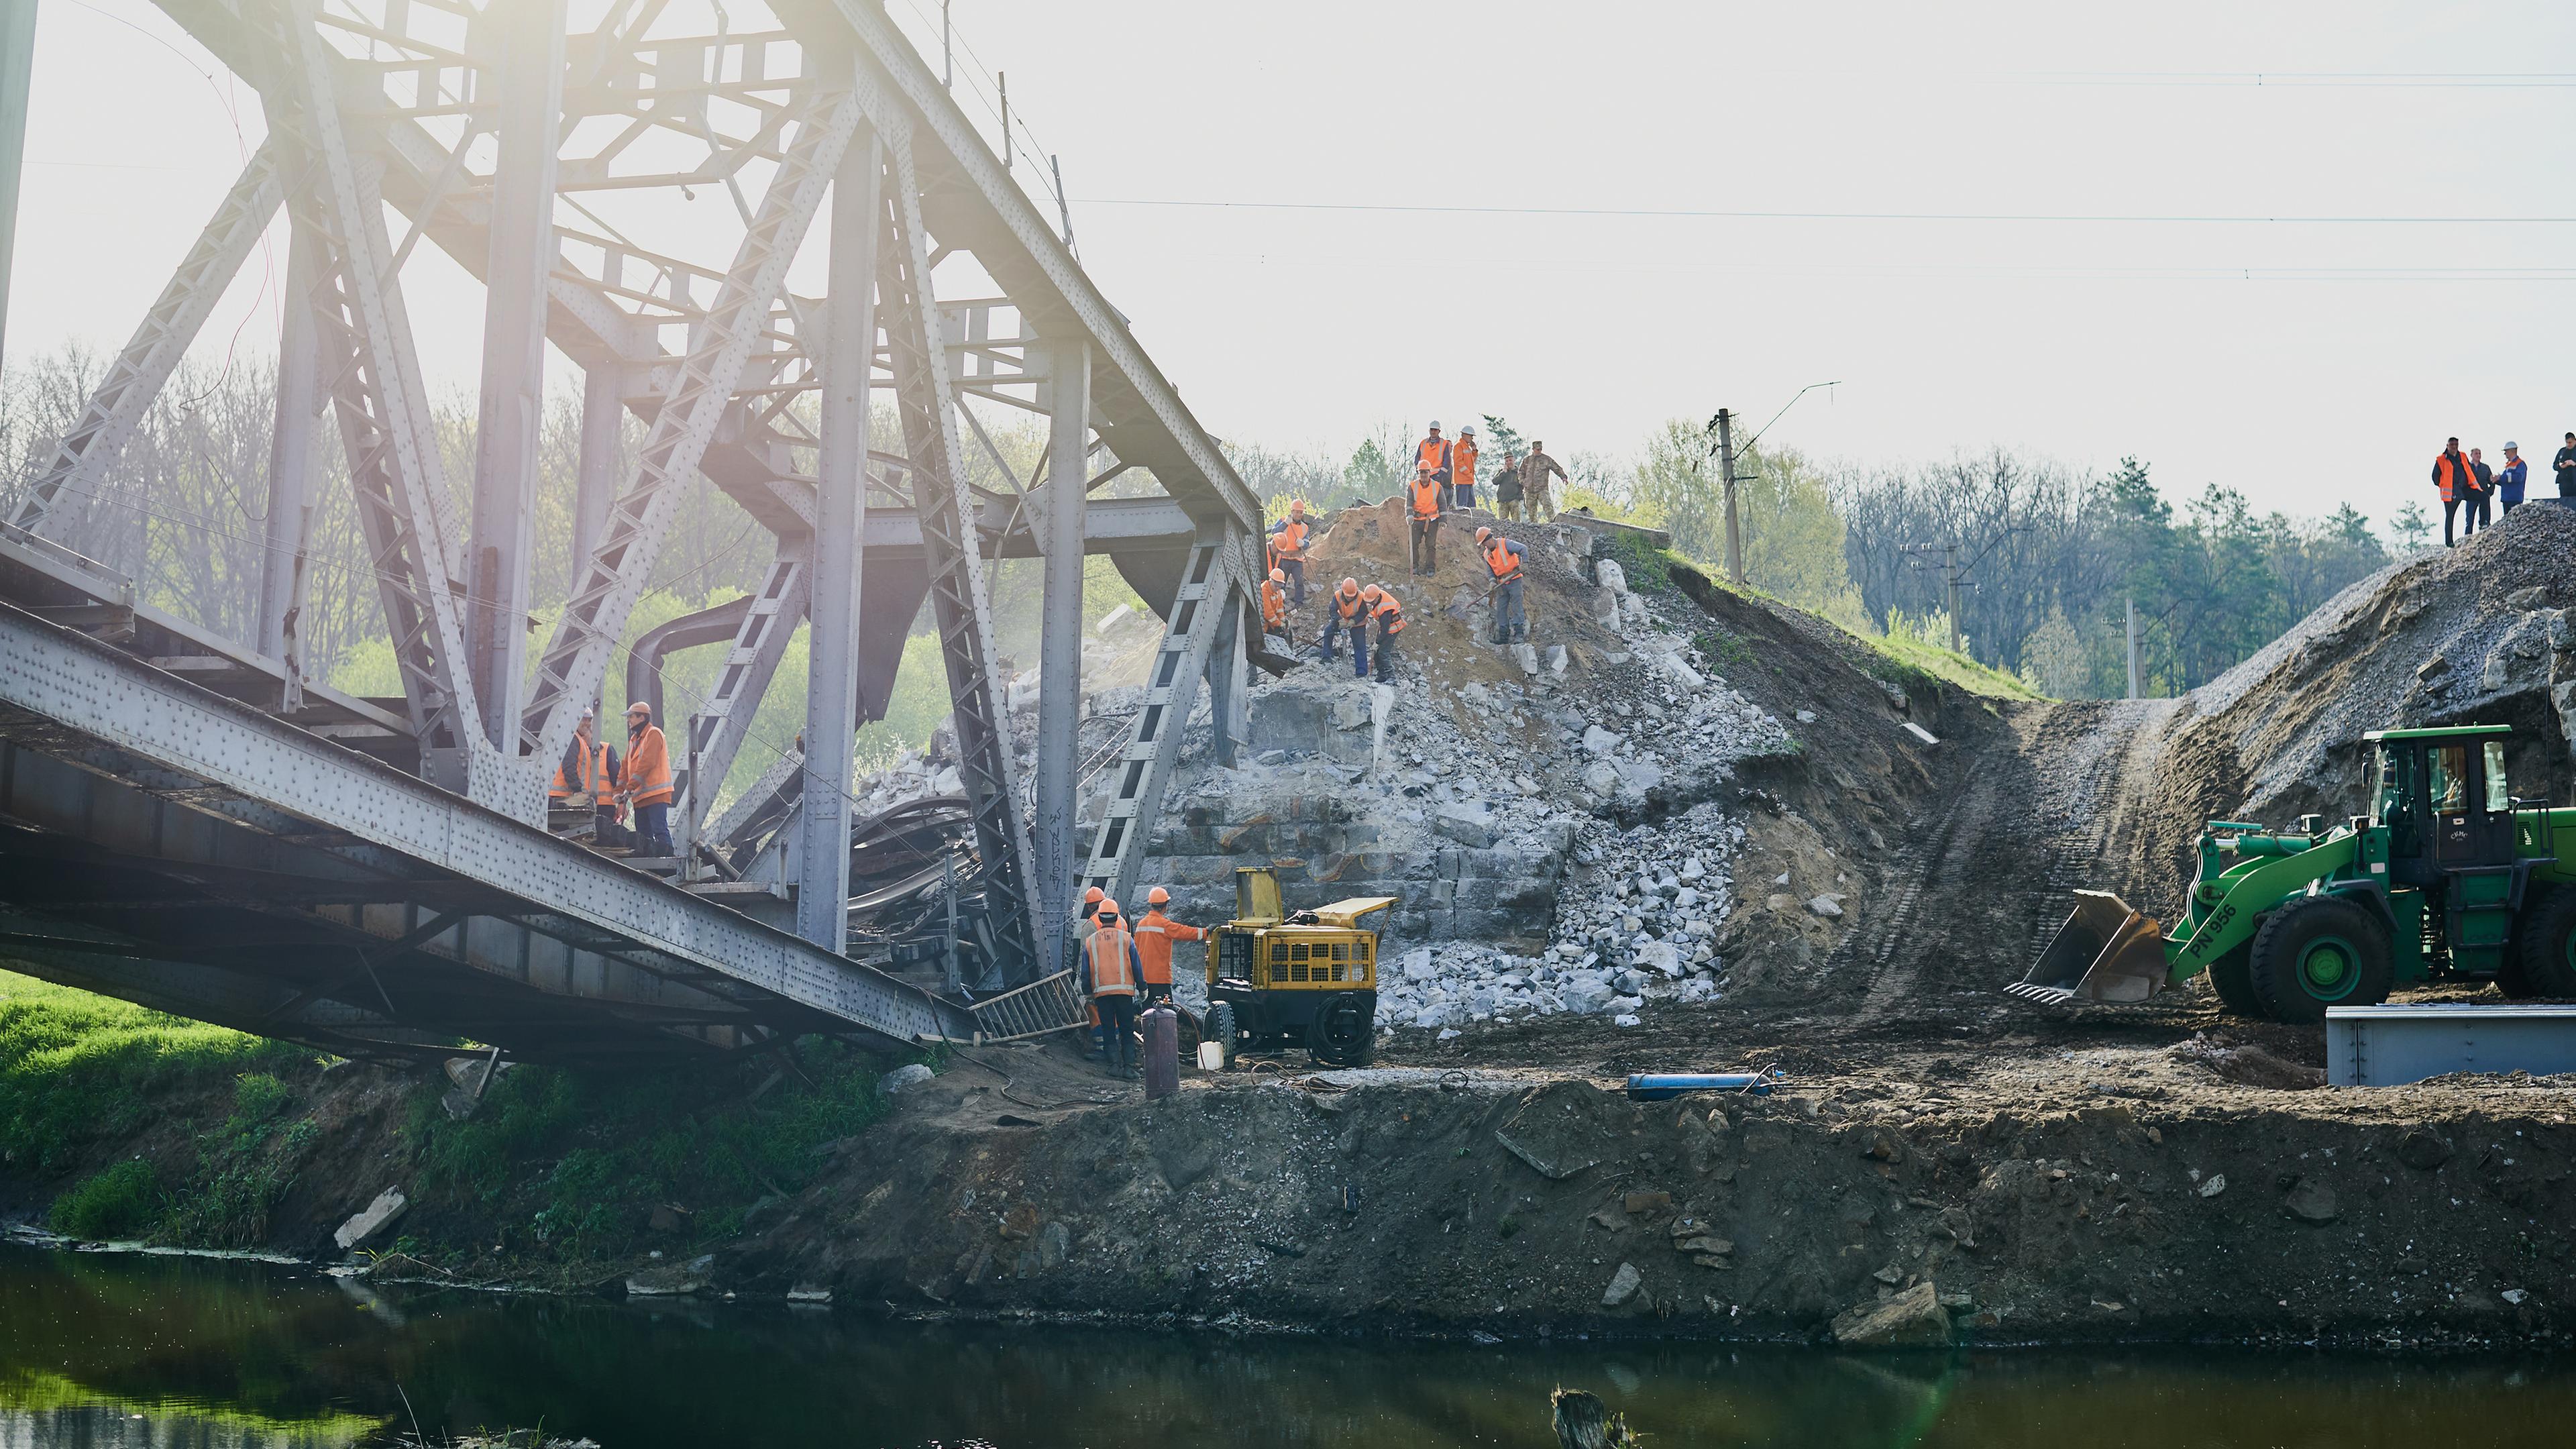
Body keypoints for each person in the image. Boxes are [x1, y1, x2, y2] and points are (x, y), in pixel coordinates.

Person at [1085, 898, 1145, 1078]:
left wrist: (1088, 992)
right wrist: (1142, 987)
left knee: (1108, 1029)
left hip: (1102, 994)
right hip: (1124, 993)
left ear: (1100, 918)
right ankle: (1128, 1067)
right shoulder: (1127, 939)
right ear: (1117, 917)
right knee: (1127, 1029)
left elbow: (1085, 971)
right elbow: (1137, 966)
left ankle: (1114, 1066)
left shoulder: (1090, 941)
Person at [549, 706, 626, 846]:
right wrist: (578, 790)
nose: (587, 724)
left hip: (579, 800)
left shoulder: (581, 742)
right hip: (564, 797)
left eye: (589, 720)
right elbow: (569, 767)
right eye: (583, 720)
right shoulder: (574, 739)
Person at [1132, 886, 1205, 1006]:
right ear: (1166, 905)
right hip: (1160, 979)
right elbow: (1183, 932)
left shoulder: (1141, 924)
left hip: (1144, 979)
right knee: (1165, 1015)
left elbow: (1135, 949)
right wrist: (1205, 933)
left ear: (1151, 904)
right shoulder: (1164, 925)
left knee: (1147, 1014)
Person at [620, 701, 675, 857]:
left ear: (642, 717)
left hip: (656, 795)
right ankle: (650, 865)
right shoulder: (634, 741)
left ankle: (667, 862)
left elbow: (647, 763)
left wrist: (630, 786)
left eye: (631, 717)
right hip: (641, 797)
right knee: (643, 836)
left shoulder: (654, 734)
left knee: (659, 830)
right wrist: (619, 790)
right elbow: (625, 767)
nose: (629, 720)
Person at [1479, 526, 1527, 645]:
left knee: (1517, 606)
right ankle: (1503, 636)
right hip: (1501, 583)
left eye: (1484, 543)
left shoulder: (1505, 544)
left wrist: (1525, 563)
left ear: (1489, 539)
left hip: (1514, 579)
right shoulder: (1486, 554)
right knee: (1501, 609)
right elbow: (1490, 570)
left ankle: (1519, 634)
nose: (1484, 546)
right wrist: (1492, 581)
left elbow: (1523, 549)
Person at [1320, 577, 1369, 677]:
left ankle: (1361, 671)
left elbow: (1364, 612)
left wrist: (1354, 621)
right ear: (1343, 591)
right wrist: (1339, 620)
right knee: (1328, 631)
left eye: (1352, 596)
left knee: (1359, 645)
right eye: (1348, 596)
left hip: (1357, 623)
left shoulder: (1361, 597)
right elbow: (1332, 610)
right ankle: (1326, 657)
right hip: (1341, 620)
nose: (1350, 598)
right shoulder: (1337, 595)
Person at [2433, 437, 2477, 546]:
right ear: (2447, 445)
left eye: (2456, 444)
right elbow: (2435, 477)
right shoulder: (2441, 459)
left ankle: (2484, 524)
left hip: (2464, 489)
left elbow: (2468, 469)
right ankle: (2449, 542)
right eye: (2452, 444)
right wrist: (2444, 484)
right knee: (2450, 516)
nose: (2454, 447)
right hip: (2450, 493)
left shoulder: (2462, 456)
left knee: (2482, 497)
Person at [1267, 500, 1312, 604]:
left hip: (1297, 559)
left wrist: (1303, 544)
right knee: (1282, 581)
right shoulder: (1283, 520)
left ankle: (1299, 603)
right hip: (1284, 558)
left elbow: (1307, 543)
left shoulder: (1305, 527)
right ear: (1292, 511)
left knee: (1299, 582)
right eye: (1297, 512)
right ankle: (1280, 602)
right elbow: (1274, 532)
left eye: (1301, 512)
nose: (1299, 514)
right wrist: (1285, 524)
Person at [1407, 464, 1444, 575]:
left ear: (1430, 472)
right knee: (1413, 543)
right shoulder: (1413, 486)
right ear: (1418, 473)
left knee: (1431, 545)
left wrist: (1443, 520)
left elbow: (1443, 504)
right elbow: (1408, 503)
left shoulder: (1437, 486)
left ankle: (1430, 568)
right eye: (1421, 472)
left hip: (1432, 520)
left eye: (1425, 472)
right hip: (1417, 519)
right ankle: (1414, 566)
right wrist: (1409, 514)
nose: (1423, 475)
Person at [1521, 441, 1568, 524]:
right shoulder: (1527, 460)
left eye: (1541, 449)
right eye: (1537, 449)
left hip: (1542, 489)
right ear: (1533, 449)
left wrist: (1563, 477)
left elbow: (1557, 468)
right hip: (1529, 490)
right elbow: (1521, 472)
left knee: (1548, 506)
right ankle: (1534, 526)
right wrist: (1523, 481)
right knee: (1531, 511)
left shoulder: (1546, 459)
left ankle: (1553, 523)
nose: (1539, 451)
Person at [1369, 586, 1406, 684]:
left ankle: (1392, 676)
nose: (1371, 603)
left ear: (1377, 598)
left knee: (1383, 652)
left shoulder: (1384, 609)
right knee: (1377, 652)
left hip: (1393, 628)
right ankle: (1382, 674)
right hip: (1387, 626)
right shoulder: (1377, 594)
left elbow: (1385, 631)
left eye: (1372, 601)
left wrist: (1377, 643)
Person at [1414, 421, 1452, 492]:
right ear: (1429, 430)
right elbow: (1417, 459)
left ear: (1439, 431)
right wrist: (1420, 472)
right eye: (1432, 430)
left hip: (1437, 476)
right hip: (1424, 475)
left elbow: (1447, 462)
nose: (1433, 432)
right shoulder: (1423, 443)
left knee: (1435, 498)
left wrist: (1439, 475)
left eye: (1435, 430)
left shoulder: (1444, 444)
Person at [1452, 425, 1481, 512]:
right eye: (1471, 436)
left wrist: (1474, 450)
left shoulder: (1467, 447)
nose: (1472, 438)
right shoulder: (1459, 446)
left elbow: (1473, 460)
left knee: (1472, 506)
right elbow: (1458, 462)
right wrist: (1468, 473)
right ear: (1465, 435)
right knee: (1462, 506)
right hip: (1462, 481)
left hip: (1468, 480)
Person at [2496, 441, 2528, 518]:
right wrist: (2497, 480)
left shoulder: (2520, 464)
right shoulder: (2508, 465)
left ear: (2512, 451)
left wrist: (2501, 478)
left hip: (2515, 498)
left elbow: (2519, 478)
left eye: (2506, 451)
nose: (2505, 454)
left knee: (2514, 520)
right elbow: (2506, 480)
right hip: (2506, 498)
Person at [1260, 566, 1291, 640]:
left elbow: (1280, 608)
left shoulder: (1278, 592)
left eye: (1280, 586)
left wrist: (1283, 619)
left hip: (1271, 623)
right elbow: (1268, 614)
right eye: (1276, 586)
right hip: (1264, 625)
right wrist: (1280, 624)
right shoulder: (1264, 590)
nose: (1277, 588)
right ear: (1271, 581)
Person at [1494, 449, 1523, 522]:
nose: (1509, 462)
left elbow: (1523, 485)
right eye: (1506, 461)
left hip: (1514, 501)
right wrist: (1504, 473)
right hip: (1502, 501)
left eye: (1510, 460)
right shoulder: (1502, 472)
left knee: (1516, 523)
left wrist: (1519, 497)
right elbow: (1495, 481)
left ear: (1514, 460)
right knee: (1503, 523)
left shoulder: (1518, 472)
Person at [2556, 433, 2576, 500]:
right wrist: (2560, 466)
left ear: (2574, 441)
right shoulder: (2562, 451)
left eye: (2570, 442)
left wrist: (2574, 464)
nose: (2568, 444)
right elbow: (2554, 465)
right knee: (2564, 503)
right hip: (2564, 484)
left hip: (2574, 483)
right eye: (2567, 442)